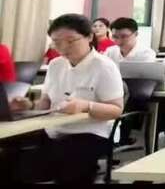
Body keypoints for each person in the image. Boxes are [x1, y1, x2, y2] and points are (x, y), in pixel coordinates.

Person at [8, 14, 123, 184]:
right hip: (55, 130)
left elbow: (116, 110)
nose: (63, 48)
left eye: (70, 41)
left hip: (92, 132)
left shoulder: (104, 66)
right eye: (57, 42)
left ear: (89, 37)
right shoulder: (56, 65)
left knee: (69, 164)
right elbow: (45, 103)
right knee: (10, 155)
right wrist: (29, 105)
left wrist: (86, 106)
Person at [103, 17, 156, 146]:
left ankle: (118, 139)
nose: (119, 41)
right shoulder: (110, 51)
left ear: (136, 34)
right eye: (115, 37)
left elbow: (143, 78)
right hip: (114, 91)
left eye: (124, 36)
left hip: (136, 92)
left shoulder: (146, 53)